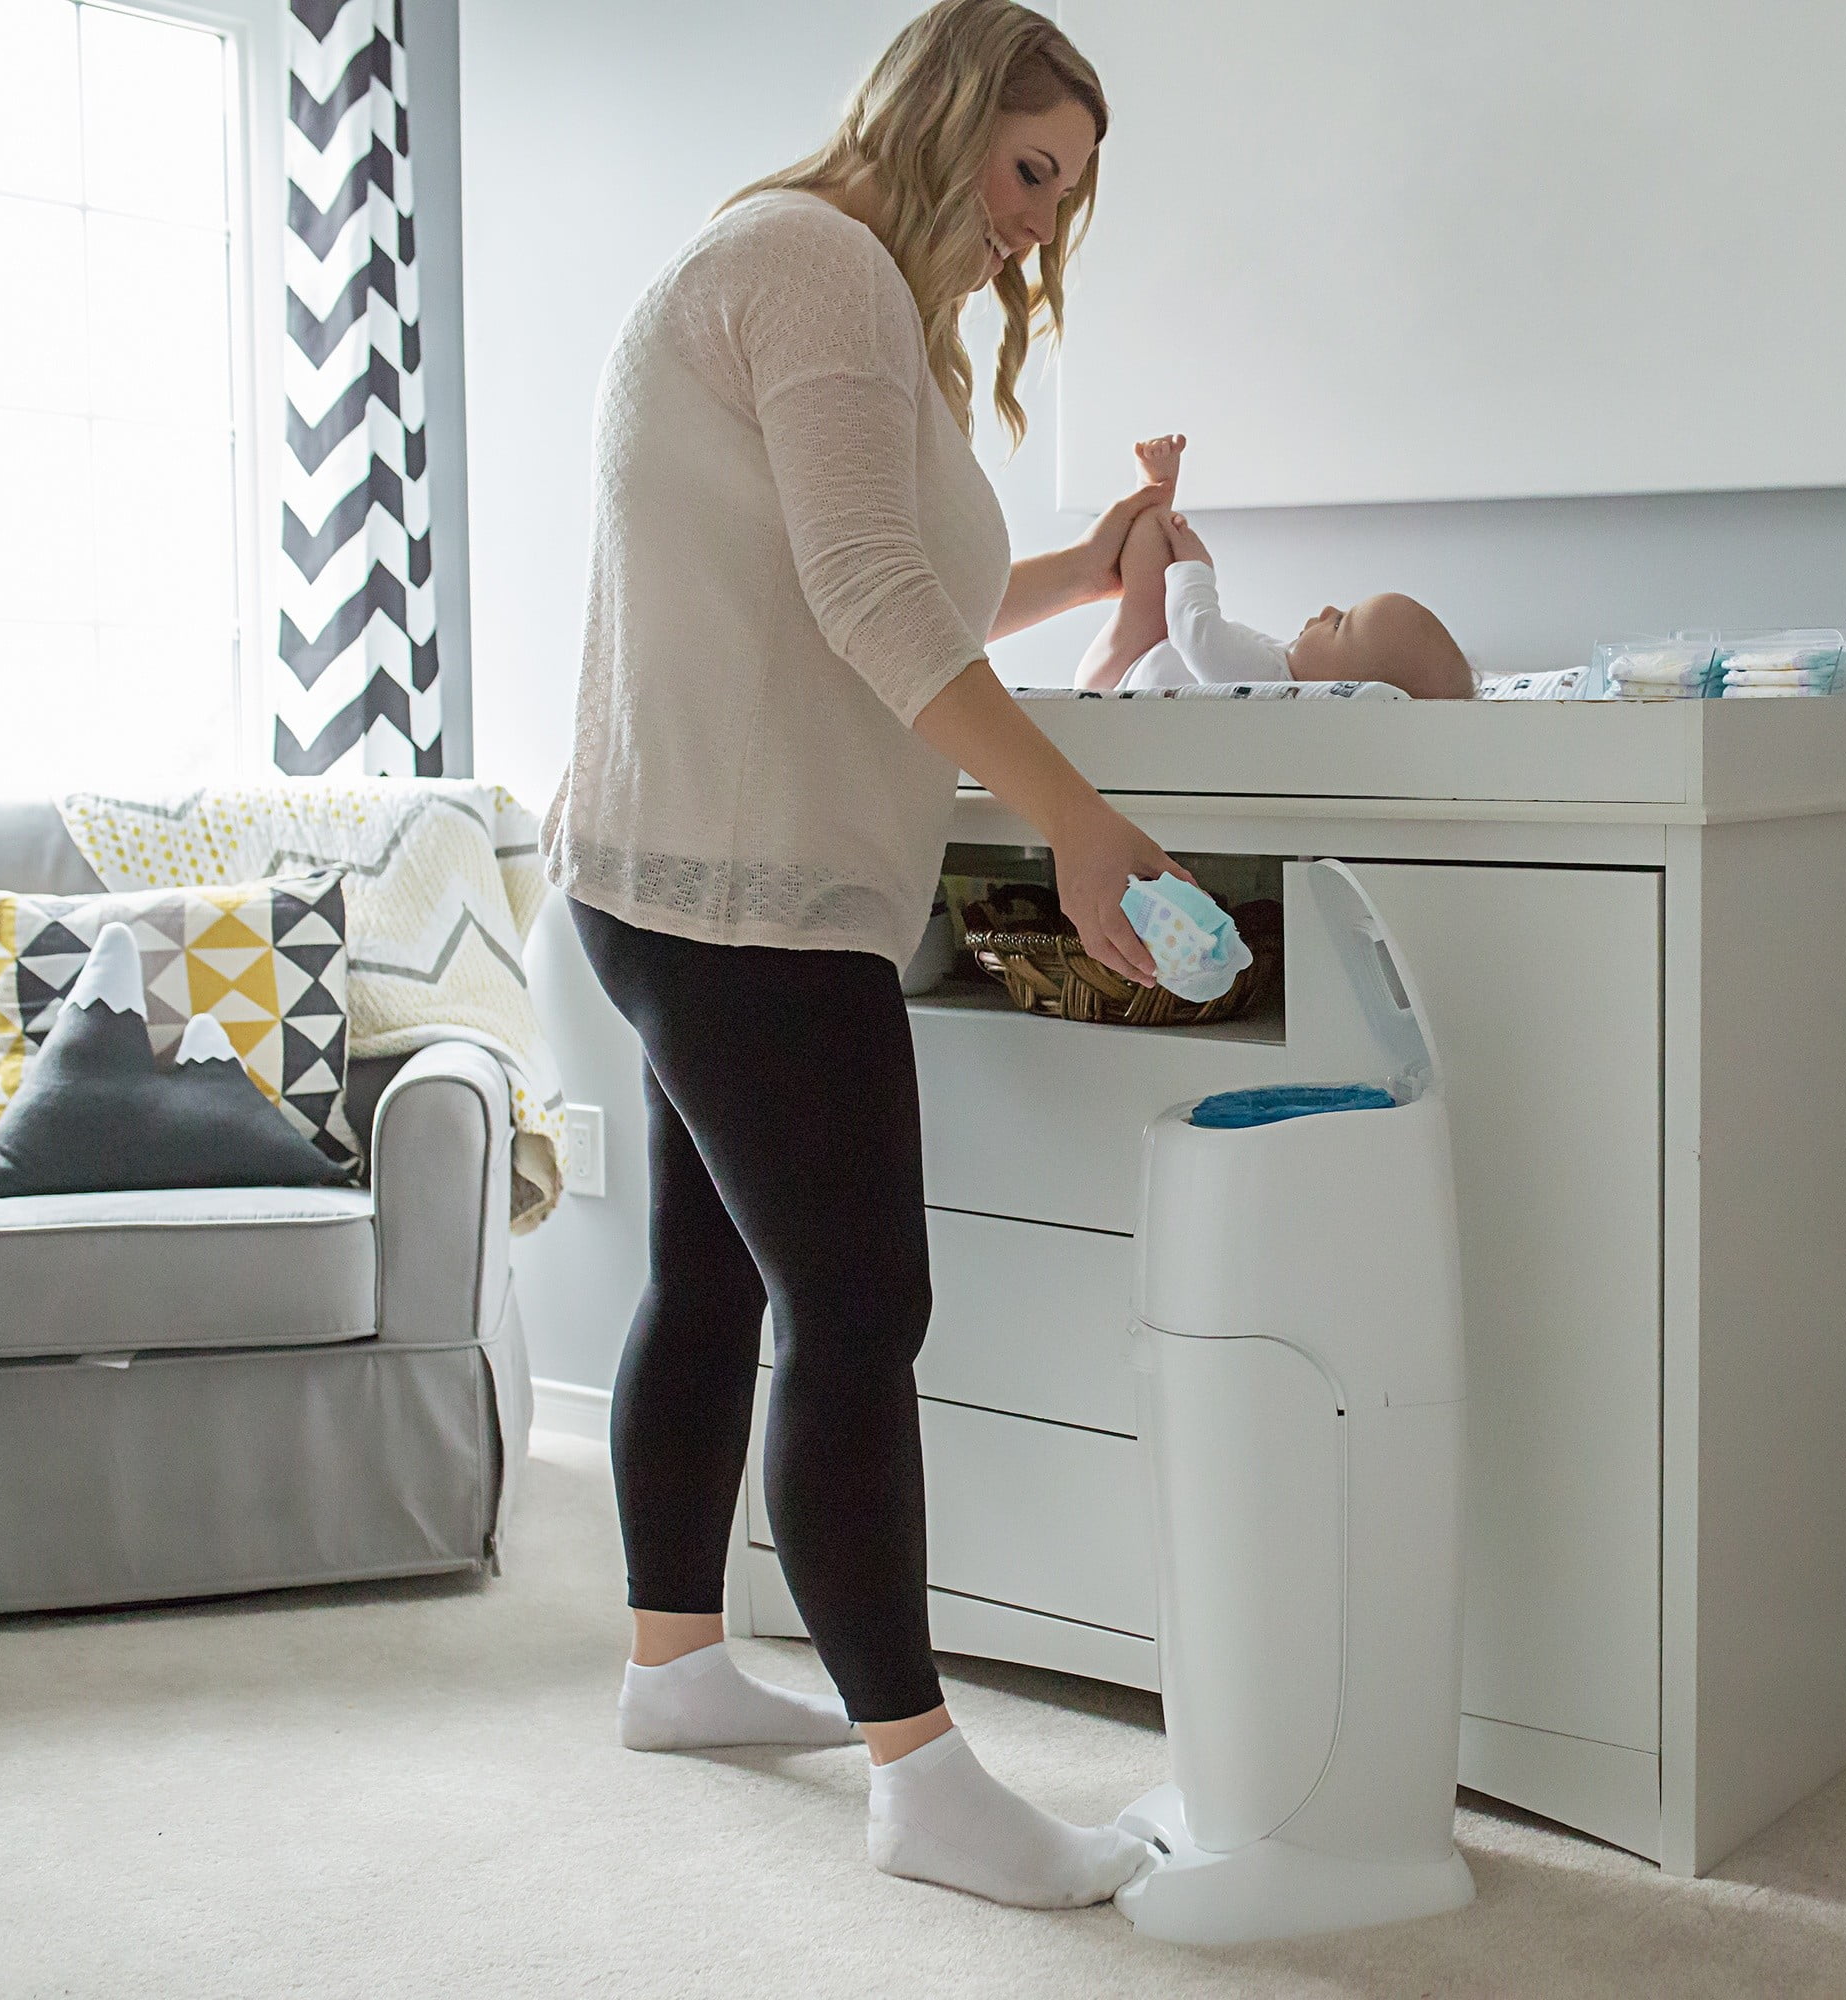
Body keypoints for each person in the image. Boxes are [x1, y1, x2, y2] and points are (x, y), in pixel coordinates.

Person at [541, 0, 1175, 1907]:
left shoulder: (802, 282)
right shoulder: (809, 259)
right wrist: (1075, 812)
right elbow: (872, 592)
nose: (1040, 224)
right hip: (746, 890)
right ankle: (924, 1775)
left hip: (688, 871)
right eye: (1032, 169)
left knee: (717, 1280)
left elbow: (899, 573)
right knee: (859, 1308)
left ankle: (674, 1663)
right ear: (950, 112)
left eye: (1066, 193)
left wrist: (1100, 563)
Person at [1073, 438, 1474, 697]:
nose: (1330, 610)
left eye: (1340, 626)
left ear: (1343, 689)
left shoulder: (1271, 688)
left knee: (1152, 548)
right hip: (1149, 654)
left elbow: (1196, 635)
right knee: (1154, 551)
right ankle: (1155, 495)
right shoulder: (1284, 669)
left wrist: (1196, 569)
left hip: (1118, 679)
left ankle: (1156, 495)